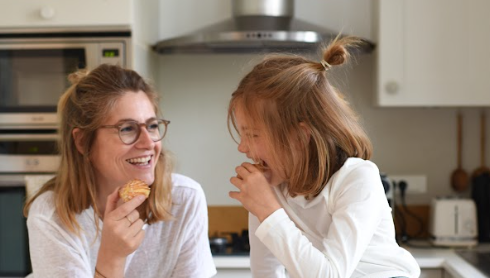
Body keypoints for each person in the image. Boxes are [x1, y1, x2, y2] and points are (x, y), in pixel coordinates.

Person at [227, 36, 421, 278]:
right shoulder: (273, 189)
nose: (243, 148)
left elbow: (330, 275)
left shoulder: (357, 178)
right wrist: (265, 207)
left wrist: (268, 209)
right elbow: (267, 272)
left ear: (300, 136)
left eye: (253, 134)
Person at [24, 64, 216, 278]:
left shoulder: (184, 198)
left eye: (152, 126)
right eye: (127, 128)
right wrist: (112, 258)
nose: (148, 142)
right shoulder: (53, 215)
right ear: (82, 141)